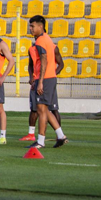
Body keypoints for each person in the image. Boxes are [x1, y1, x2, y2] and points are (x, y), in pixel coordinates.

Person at [26, 15, 68, 150]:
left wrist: (40, 82)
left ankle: (41, 141)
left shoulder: (40, 41)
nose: (30, 29)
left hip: (45, 78)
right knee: (44, 109)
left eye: (32, 26)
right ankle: (60, 135)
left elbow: (44, 60)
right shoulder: (47, 40)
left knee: (41, 110)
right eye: (30, 26)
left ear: (40, 26)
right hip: (49, 77)